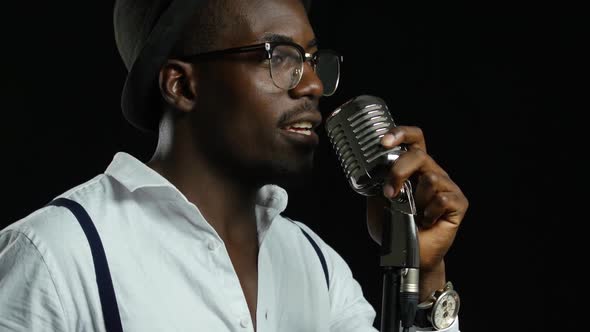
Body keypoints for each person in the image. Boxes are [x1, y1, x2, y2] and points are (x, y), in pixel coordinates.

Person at [0, 0, 469, 331]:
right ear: (182, 86)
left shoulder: (316, 264)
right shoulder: (58, 253)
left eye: (309, 60)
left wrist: (423, 274)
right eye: (279, 57)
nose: (310, 85)